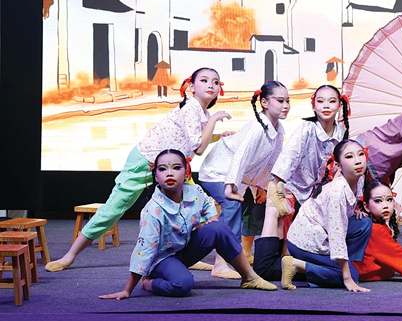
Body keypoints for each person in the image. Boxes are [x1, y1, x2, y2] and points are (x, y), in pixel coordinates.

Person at [46, 68, 231, 271]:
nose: (210, 85)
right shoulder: (190, 108)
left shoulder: (202, 113)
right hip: (146, 161)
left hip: (176, 166)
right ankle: (69, 256)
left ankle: (192, 258)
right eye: (204, 80)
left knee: (194, 207)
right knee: (113, 209)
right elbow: (199, 147)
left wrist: (219, 135)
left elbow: (195, 138)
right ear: (191, 86)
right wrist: (214, 121)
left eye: (215, 82)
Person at [98, 149, 276, 299]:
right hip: (161, 259)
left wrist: (212, 220)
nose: (169, 173)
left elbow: (208, 203)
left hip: (185, 249)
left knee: (219, 228)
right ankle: (149, 283)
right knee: (182, 285)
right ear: (156, 176)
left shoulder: (194, 191)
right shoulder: (153, 211)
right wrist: (128, 290)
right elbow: (144, 251)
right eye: (162, 169)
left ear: (186, 172)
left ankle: (249, 278)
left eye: (176, 168)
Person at [252, 85, 349, 281]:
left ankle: (297, 262)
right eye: (320, 101)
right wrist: (277, 185)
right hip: (291, 187)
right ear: (313, 105)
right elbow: (290, 156)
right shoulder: (307, 128)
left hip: (317, 193)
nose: (326, 106)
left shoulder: (342, 134)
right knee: (278, 213)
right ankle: (277, 262)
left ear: (340, 105)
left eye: (332, 101)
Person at [198, 81, 289, 278]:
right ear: (264, 102)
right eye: (280, 100)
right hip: (217, 171)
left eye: (287, 101)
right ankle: (220, 264)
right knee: (231, 205)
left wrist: (262, 186)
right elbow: (240, 157)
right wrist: (230, 186)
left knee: (243, 208)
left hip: (236, 176)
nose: (285, 105)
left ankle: (215, 253)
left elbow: (271, 162)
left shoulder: (279, 129)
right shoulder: (257, 127)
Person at [280, 139, 373, 292]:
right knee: (352, 276)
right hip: (305, 243)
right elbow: (337, 234)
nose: (358, 161)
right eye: (349, 157)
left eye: (361, 154)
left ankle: (342, 266)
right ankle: (298, 265)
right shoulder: (337, 192)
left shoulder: (359, 181)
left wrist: (353, 210)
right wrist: (347, 278)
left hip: (322, 232)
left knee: (363, 223)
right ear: (338, 165)